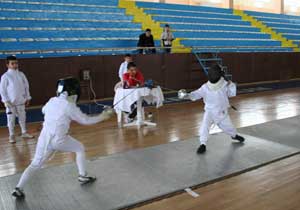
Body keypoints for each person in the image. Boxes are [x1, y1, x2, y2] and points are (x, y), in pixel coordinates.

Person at [12, 77, 114, 199]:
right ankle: (82, 176)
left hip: (44, 139)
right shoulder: (69, 106)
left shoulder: (52, 100)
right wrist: (104, 116)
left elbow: (44, 110)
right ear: (73, 91)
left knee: (35, 164)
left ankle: (18, 188)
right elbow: (86, 120)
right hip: (58, 140)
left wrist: (60, 121)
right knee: (79, 148)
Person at [180, 64, 245, 154]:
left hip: (221, 112)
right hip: (209, 112)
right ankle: (203, 144)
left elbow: (231, 94)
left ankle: (234, 136)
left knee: (228, 127)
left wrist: (231, 85)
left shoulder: (225, 84)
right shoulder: (205, 87)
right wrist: (187, 95)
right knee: (204, 126)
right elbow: (196, 94)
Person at [0, 55, 34, 144]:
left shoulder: (21, 74)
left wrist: (28, 97)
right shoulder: (5, 76)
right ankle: (11, 135)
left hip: (21, 101)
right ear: (7, 65)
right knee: (11, 120)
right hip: (11, 103)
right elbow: (2, 90)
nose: (15, 65)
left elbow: (26, 86)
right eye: (12, 63)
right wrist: (5, 101)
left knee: (22, 118)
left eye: (16, 63)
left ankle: (24, 132)